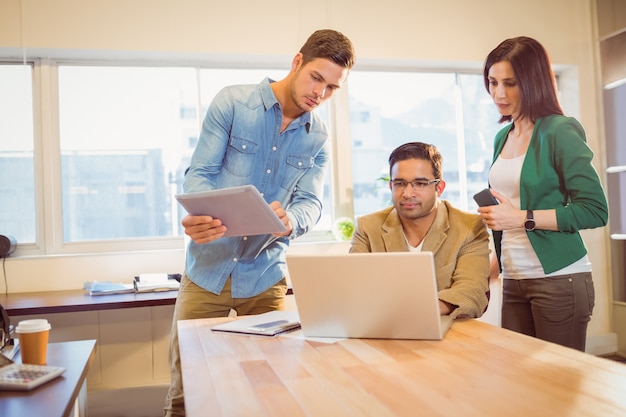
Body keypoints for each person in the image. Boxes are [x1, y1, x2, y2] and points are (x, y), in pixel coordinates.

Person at [164, 29, 355, 417]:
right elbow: (199, 172)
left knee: (268, 389)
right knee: (186, 390)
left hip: (267, 275)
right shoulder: (233, 103)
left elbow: (311, 203)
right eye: (317, 78)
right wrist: (198, 213)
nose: (321, 94)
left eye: (332, 88)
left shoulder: (317, 135)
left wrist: (292, 222)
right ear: (297, 61)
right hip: (207, 271)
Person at [477, 36, 608, 351]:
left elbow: (595, 210)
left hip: (560, 279)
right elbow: (507, 212)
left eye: (510, 83)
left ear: (533, 82)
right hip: (513, 279)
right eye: (493, 82)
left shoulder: (560, 130)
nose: (498, 93)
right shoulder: (501, 137)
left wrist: (521, 218)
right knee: (524, 386)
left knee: (558, 385)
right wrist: (493, 265)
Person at [350, 142, 490, 319]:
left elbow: (473, 292)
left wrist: (418, 310)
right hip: (383, 327)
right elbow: (356, 287)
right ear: (391, 186)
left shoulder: (469, 227)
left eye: (420, 183)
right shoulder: (368, 227)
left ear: (439, 188)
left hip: (445, 331)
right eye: (400, 183)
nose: (408, 193)